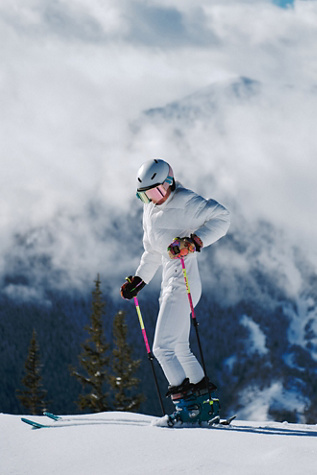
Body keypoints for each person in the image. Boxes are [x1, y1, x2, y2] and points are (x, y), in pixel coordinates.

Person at [120, 158, 230, 423]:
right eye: (145, 195)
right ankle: (204, 407)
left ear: (169, 183)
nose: (153, 198)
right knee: (179, 347)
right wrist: (140, 280)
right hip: (169, 283)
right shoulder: (150, 210)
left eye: (157, 191)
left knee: (162, 349)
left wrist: (193, 241)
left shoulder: (186, 202)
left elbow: (222, 217)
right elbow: (152, 251)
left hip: (184, 284)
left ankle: (186, 411)